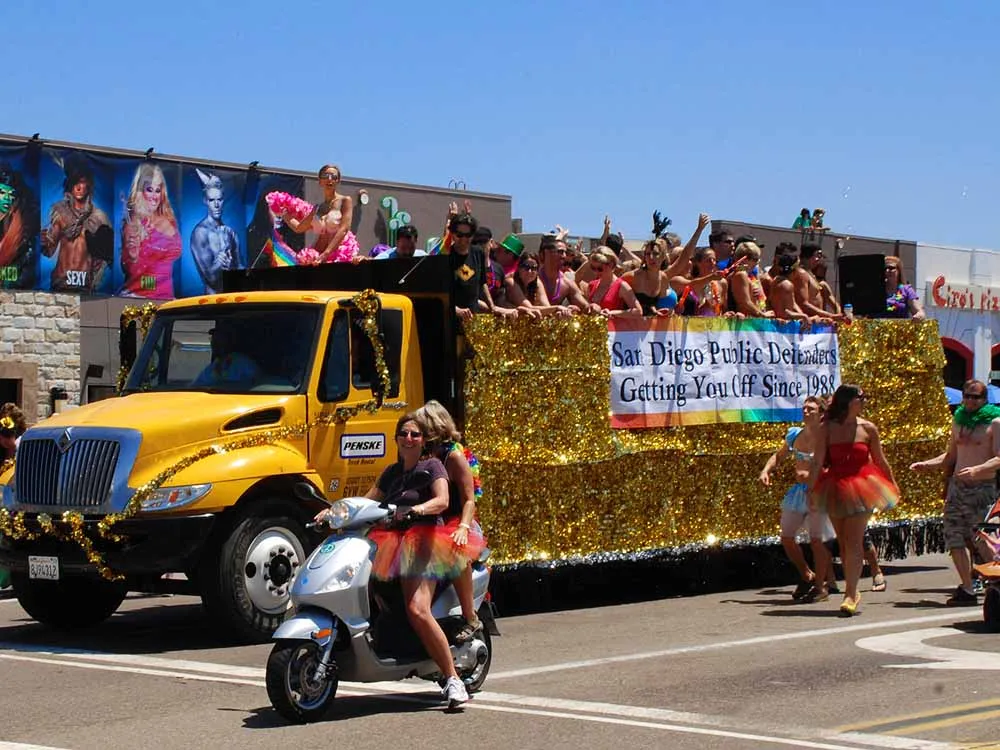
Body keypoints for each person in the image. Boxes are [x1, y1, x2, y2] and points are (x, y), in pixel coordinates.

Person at [315, 413, 470, 708]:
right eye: (403, 433)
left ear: (423, 440)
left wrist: (418, 510)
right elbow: (365, 503)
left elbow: (442, 500)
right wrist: (332, 512)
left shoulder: (432, 466)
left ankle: (453, 679)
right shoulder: (391, 473)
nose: (408, 439)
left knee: (417, 609)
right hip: (391, 542)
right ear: (396, 438)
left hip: (424, 541)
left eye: (415, 434)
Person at [807, 384, 900, 616]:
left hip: (863, 486)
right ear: (848, 401)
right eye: (861, 398)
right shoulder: (827, 428)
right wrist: (811, 489)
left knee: (854, 541)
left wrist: (892, 483)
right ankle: (853, 589)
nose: (864, 401)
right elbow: (817, 461)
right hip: (834, 485)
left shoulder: (868, 428)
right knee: (843, 542)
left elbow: (880, 460)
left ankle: (850, 594)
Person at [911, 379, 1000, 605]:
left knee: (982, 540)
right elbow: (950, 456)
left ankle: (996, 584)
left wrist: (978, 469)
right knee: (954, 538)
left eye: (975, 397)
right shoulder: (958, 420)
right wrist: (927, 465)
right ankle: (967, 589)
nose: (970, 401)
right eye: (967, 396)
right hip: (957, 489)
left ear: (984, 399)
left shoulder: (995, 422)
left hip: (981, 489)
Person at [415, 400, 488, 643]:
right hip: (430, 519)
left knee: (455, 551)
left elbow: (469, 500)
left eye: (421, 427)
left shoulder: (454, 456)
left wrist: (463, 528)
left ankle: (471, 617)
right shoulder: (421, 454)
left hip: (456, 521)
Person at [760, 396, 837, 602]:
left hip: (819, 492)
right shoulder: (795, 434)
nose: (805, 411)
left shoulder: (828, 438)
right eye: (804, 408)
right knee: (786, 537)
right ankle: (806, 575)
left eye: (810, 409)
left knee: (817, 541)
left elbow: (835, 465)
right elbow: (778, 456)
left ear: (821, 413)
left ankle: (821, 586)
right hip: (798, 493)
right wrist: (766, 470)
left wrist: (817, 476)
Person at [41, 154, 113, 292]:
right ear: (69, 185)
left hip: (85, 285)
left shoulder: (99, 217)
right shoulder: (60, 212)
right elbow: (49, 251)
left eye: (82, 182)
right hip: (61, 282)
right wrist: (44, 241)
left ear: (89, 185)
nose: (79, 187)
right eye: (75, 182)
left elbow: (107, 256)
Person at [120, 163, 182, 299]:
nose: (154, 196)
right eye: (149, 189)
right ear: (140, 191)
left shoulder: (169, 220)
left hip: (166, 298)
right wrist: (134, 250)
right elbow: (128, 264)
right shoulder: (135, 221)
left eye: (158, 190)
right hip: (139, 298)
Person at [282, 165, 359, 263]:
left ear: (338, 181)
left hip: (338, 257)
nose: (329, 179)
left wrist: (326, 254)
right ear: (320, 181)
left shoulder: (345, 201)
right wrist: (284, 214)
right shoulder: (317, 208)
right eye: (326, 176)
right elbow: (299, 228)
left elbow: (344, 229)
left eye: (334, 177)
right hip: (318, 257)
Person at [190, 169, 240, 293]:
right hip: (211, 299)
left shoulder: (231, 233)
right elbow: (211, 277)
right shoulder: (200, 232)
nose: (216, 205)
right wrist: (221, 260)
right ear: (205, 201)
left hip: (232, 297)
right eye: (212, 200)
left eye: (220, 199)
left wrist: (231, 267)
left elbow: (241, 267)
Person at [0, 160, 39, 289]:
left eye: (10, 194)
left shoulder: (22, 233)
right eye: (2, 193)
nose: (7, 198)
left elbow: (24, 274)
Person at [192, 326, 262, 386]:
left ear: (228, 341)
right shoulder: (213, 366)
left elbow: (257, 383)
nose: (214, 343)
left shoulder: (243, 363)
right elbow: (197, 385)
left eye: (219, 340)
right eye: (213, 339)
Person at [537, 235, 590, 311]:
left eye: (565, 252)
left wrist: (593, 307)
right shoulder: (531, 278)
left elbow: (585, 307)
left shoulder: (566, 283)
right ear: (545, 253)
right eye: (560, 252)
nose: (564, 256)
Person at [585, 247, 642, 317]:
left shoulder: (621, 285)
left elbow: (638, 311)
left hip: (613, 323)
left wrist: (612, 313)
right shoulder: (592, 285)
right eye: (593, 268)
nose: (596, 272)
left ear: (611, 265)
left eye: (600, 269)